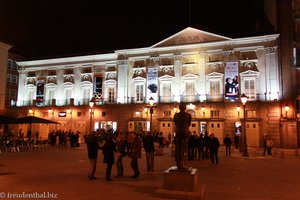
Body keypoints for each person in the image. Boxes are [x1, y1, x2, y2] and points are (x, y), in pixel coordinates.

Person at [173, 102, 192, 169]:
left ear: (179, 108)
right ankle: (183, 163)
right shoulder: (188, 115)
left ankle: (178, 163)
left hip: (178, 133)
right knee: (184, 148)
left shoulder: (176, 115)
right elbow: (189, 124)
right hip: (185, 133)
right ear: (185, 108)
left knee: (178, 148)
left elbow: (175, 123)